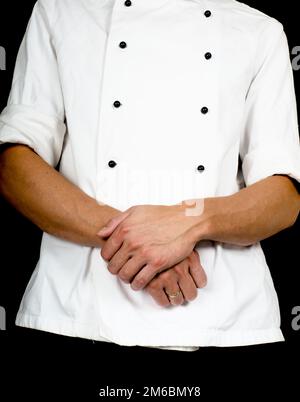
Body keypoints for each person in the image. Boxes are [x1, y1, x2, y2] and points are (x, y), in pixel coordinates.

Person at [0, 0, 299, 352]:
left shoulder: (259, 31)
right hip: (76, 313)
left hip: (225, 320)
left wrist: (187, 221)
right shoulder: (59, 11)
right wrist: (143, 241)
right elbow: (13, 168)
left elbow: (282, 198)